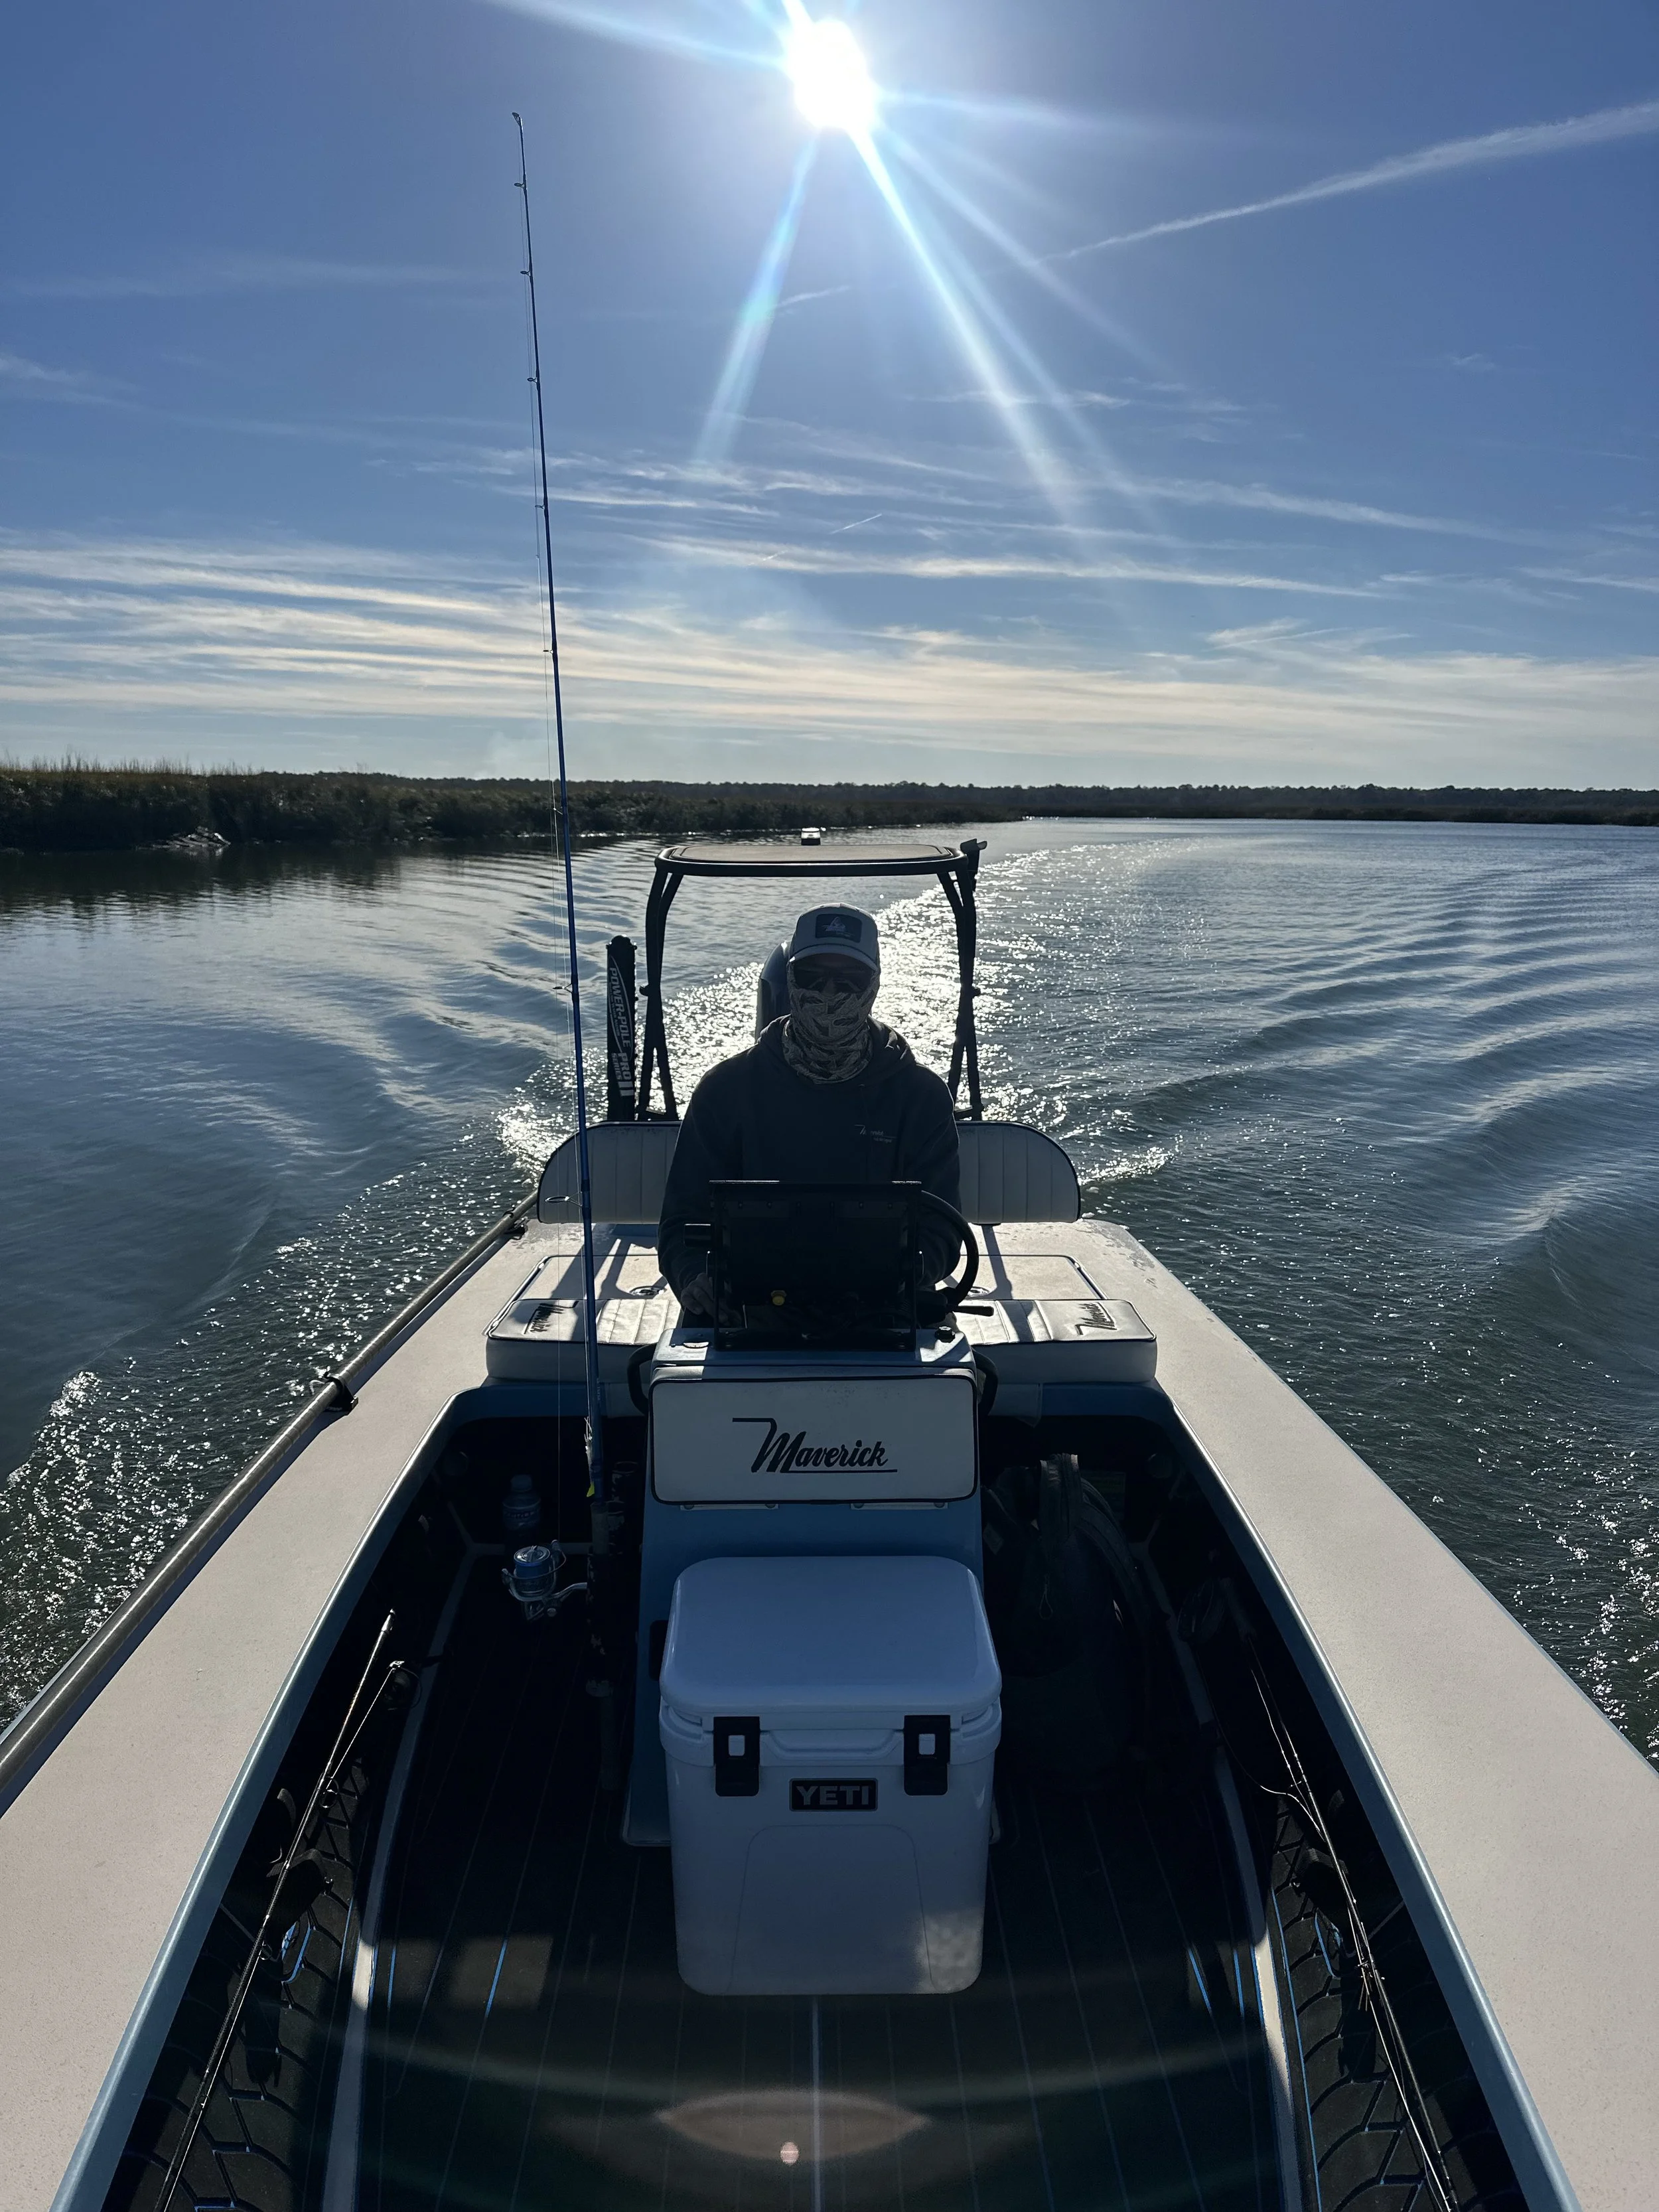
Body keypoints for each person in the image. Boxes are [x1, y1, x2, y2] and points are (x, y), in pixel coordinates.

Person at [658, 903, 962, 1317]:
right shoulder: (724, 1089)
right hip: (744, 1309)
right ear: (789, 980)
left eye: (849, 979)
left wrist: (908, 1273)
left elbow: (942, 1225)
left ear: (874, 986)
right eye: (812, 977)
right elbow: (682, 1220)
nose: (830, 993)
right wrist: (696, 1278)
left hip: (882, 1309)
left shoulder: (921, 1096)